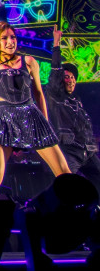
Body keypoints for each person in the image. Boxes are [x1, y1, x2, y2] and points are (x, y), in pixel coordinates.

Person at [0, 0, 70, 194]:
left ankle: (78, 211)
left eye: (13, 37)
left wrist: (45, 123)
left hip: (32, 118)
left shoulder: (28, 61)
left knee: (64, 173)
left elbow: (38, 94)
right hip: (4, 121)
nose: (10, 42)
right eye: (4, 38)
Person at [46, 27, 100, 194]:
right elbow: (56, 71)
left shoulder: (77, 101)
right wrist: (56, 43)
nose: (70, 80)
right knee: (66, 187)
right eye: (66, 77)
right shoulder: (56, 96)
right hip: (69, 151)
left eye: (72, 77)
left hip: (87, 151)